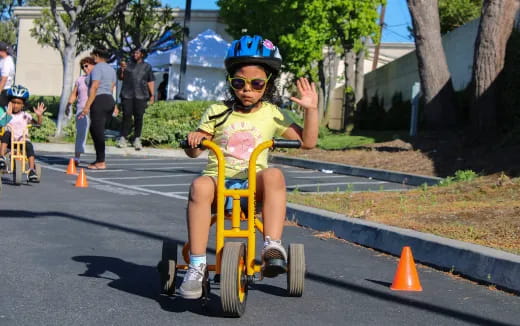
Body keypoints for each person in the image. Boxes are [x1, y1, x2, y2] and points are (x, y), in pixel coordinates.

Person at [178, 35, 318, 299]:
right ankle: (197, 265)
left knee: (274, 174)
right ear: (231, 82)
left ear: (268, 84)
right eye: (239, 82)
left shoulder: (273, 113)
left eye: (256, 84)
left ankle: (272, 246)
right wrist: (195, 139)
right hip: (218, 181)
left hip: (254, 185)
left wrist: (311, 110)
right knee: (198, 185)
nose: (247, 90)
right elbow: (194, 151)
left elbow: (308, 142)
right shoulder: (217, 111)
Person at [0, 85, 46, 182]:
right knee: (6, 133)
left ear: (23, 105)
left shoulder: (25, 116)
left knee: (29, 146)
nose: (15, 105)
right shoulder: (7, 114)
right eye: (13, 102)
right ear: (9, 102)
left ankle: (31, 170)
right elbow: (2, 124)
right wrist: (7, 115)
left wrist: (39, 116)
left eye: (18, 103)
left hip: (22, 141)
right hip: (9, 141)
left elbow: (38, 124)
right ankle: (2, 157)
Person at [80, 48, 117, 170]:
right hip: (109, 100)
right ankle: (99, 159)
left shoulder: (97, 68)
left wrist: (86, 106)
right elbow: (111, 88)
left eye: (92, 56)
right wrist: (114, 105)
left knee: (97, 130)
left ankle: (101, 161)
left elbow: (94, 87)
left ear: (96, 56)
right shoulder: (111, 70)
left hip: (99, 100)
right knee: (97, 130)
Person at [117, 48, 155, 150]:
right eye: (134, 53)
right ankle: (123, 138)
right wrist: (122, 69)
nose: (135, 54)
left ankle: (137, 139)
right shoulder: (127, 65)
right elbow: (120, 77)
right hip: (127, 94)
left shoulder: (147, 66)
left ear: (142, 54)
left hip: (141, 95)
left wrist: (152, 95)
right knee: (126, 116)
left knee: (139, 117)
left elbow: (150, 81)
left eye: (137, 53)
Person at [66, 56, 96, 166]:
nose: (84, 68)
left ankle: (99, 158)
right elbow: (74, 94)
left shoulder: (97, 79)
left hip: (95, 109)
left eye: (86, 66)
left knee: (96, 134)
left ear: (93, 65)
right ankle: (77, 158)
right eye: (83, 67)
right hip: (81, 110)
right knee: (81, 134)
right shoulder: (80, 79)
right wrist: (68, 104)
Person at [0, 42, 16, 107]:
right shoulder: (3, 59)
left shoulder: (7, 62)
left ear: (1, 51)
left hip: (4, 90)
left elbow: (4, 79)